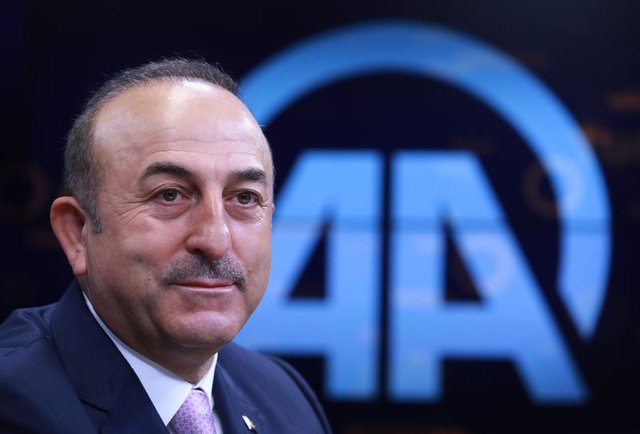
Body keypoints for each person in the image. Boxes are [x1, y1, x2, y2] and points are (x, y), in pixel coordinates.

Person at [0, 58, 332, 433]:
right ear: (78, 233)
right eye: (170, 195)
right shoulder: (13, 403)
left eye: (244, 198)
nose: (216, 240)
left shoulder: (284, 397)